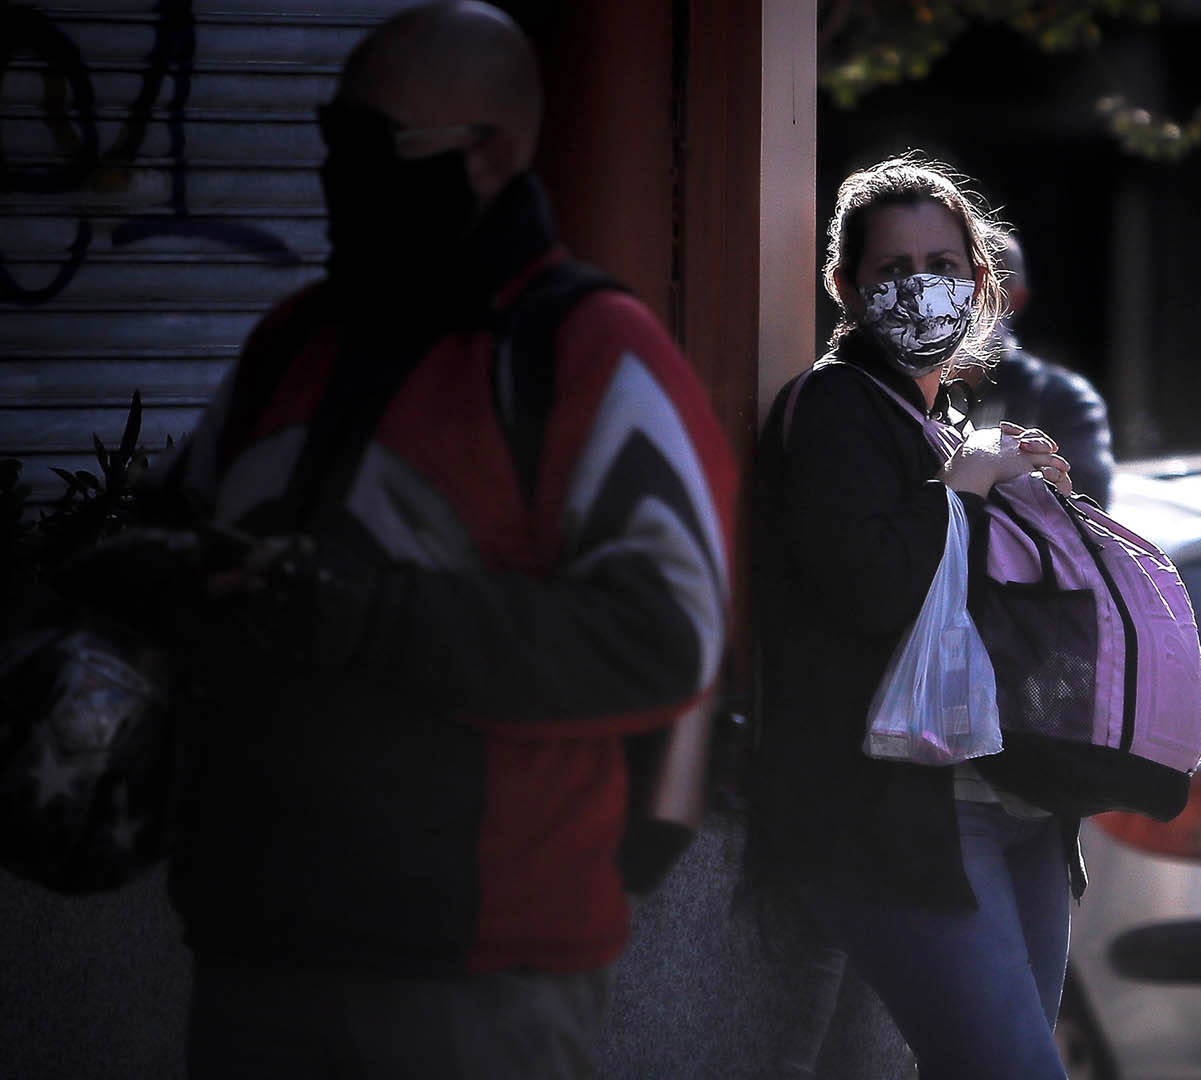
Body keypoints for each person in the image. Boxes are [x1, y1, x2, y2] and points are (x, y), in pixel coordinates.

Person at [82, 3, 736, 1076]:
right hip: (249, 954)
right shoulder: (290, 339)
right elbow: (177, 539)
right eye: (329, 136)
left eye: (373, 146)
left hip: (474, 989)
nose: (338, 172)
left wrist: (362, 612)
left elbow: (664, 636)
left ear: (497, 152)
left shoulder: (588, 351)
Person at [749, 154, 1080, 1079]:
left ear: (983, 283)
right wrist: (965, 493)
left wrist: (1031, 500)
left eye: (943, 266)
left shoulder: (943, 418)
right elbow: (872, 587)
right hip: (905, 815)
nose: (920, 289)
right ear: (844, 287)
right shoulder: (833, 409)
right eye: (892, 271)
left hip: (1013, 797)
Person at [962, 230, 1116, 508]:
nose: (974, 299)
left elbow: (1087, 512)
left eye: (991, 289)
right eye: (962, 281)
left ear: (1016, 300)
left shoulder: (1063, 399)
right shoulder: (908, 393)